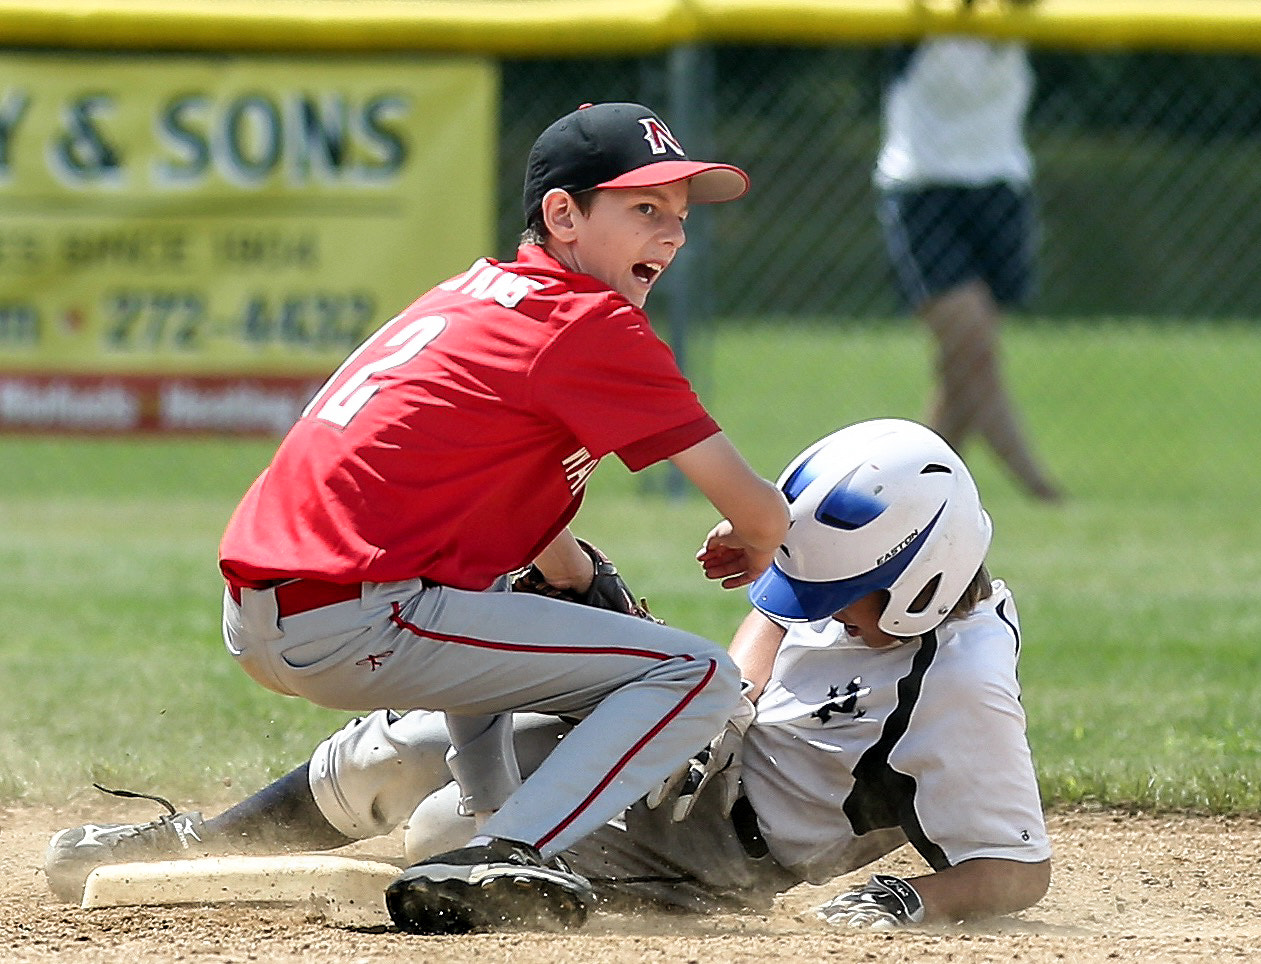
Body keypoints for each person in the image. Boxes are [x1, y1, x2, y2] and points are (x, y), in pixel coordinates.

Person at [46, 419, 1051, 929]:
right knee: (409, 740)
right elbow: (771, 629)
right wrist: (716, 708)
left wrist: (919, 901)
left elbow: (1020, 864)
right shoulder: (872, 587)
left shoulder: (960, 690)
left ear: (923, 584)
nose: (816, 606)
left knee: (450, 833)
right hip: (705, 762)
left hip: (722, 857)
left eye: (843, 594)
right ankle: (197, 842)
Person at [198, 101, 789, 934]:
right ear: (562, 214)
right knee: (693, 675)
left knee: (501, 592)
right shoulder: (589, 320)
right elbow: (756, 508)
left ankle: (490, 824)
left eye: (680, 216)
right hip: (355, 617)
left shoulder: (477, 295)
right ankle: (510, 850)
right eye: (645, 209)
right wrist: (755, 536)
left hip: (278, 610)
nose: (673, 235)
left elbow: (485, 522)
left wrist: (572, 573)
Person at [875, 36, 1063, 502]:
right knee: (974, 351)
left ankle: (916, 495)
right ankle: (1041, 491)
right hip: (923, 187)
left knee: (961, 367)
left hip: (1000, 186)